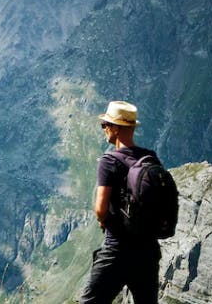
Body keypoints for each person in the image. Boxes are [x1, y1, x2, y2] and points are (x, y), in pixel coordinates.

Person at [80, 101, 161, 304]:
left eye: (105, 125)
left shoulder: (109, 161)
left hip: (117, 250)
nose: (104, 129)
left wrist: (104, 220)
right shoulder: (150, 158)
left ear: (116, 128)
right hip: (148, 252)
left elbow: (100, 209)